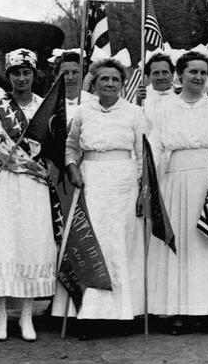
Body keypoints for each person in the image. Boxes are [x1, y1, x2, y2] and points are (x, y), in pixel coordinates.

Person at [147, 46, 208, 335]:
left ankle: (206, 311)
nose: (198, 77)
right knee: (179, 247)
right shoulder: (163, 109)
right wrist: (150, 187)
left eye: (203, 72)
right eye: (192, 72)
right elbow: (155, 148)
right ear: (180, 75)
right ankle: (177, 311)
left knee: (204, 244)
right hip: (175, 182)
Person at [52, 57, 148, 339]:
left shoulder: (134, 113)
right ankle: (89, 314)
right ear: (93, 83)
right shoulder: (83, 111)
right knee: (91, 242)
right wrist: (72, 168)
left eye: (115, 79)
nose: (109, 83)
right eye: (104, 79)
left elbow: (144, 156)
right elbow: (70, 147)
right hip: (91, 179)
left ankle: (121, 313)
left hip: (123, 180)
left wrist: (143, 191)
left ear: (122, 84)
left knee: (120, 244)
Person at [0, 49, 58, 342]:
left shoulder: (46, 106)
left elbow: (54, 147)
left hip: (35, 184)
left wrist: (49, 165)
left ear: (34, 74)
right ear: (8, 75)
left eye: (27, 72)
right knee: (4, 242)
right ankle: (1, 315)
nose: (22, 78)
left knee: (31, 242)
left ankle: (27, 315)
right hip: (5, 182)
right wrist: (22, 164)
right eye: (16, 73)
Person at [49, 48, 95, 123]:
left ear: (82, 74)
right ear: (57, 75)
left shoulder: (93, 102)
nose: (70, 77)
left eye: (75, 72)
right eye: (65, 73)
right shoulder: (48, 104)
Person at [138, 50, 176, 129]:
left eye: (165, 72)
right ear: (149, 77)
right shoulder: (142, 100)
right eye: (156, 73)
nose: (161, 77)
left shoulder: (182, 97)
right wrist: (138, 103)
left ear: (172, 75)